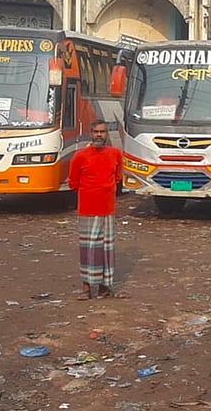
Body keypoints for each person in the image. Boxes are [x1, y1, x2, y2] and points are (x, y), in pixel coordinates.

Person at [68, 119, 123, 300]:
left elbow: (117, 178)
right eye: (96, 132)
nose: (99, 135)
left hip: (108, 209)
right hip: (88, 209)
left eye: (103, 132)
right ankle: (86, 288)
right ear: (90, 134)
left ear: (107, 134)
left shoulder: (115, 154)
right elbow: (73, 183)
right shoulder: (80, 156)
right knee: (89, 248)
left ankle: (104, 287)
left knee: (106, 249)